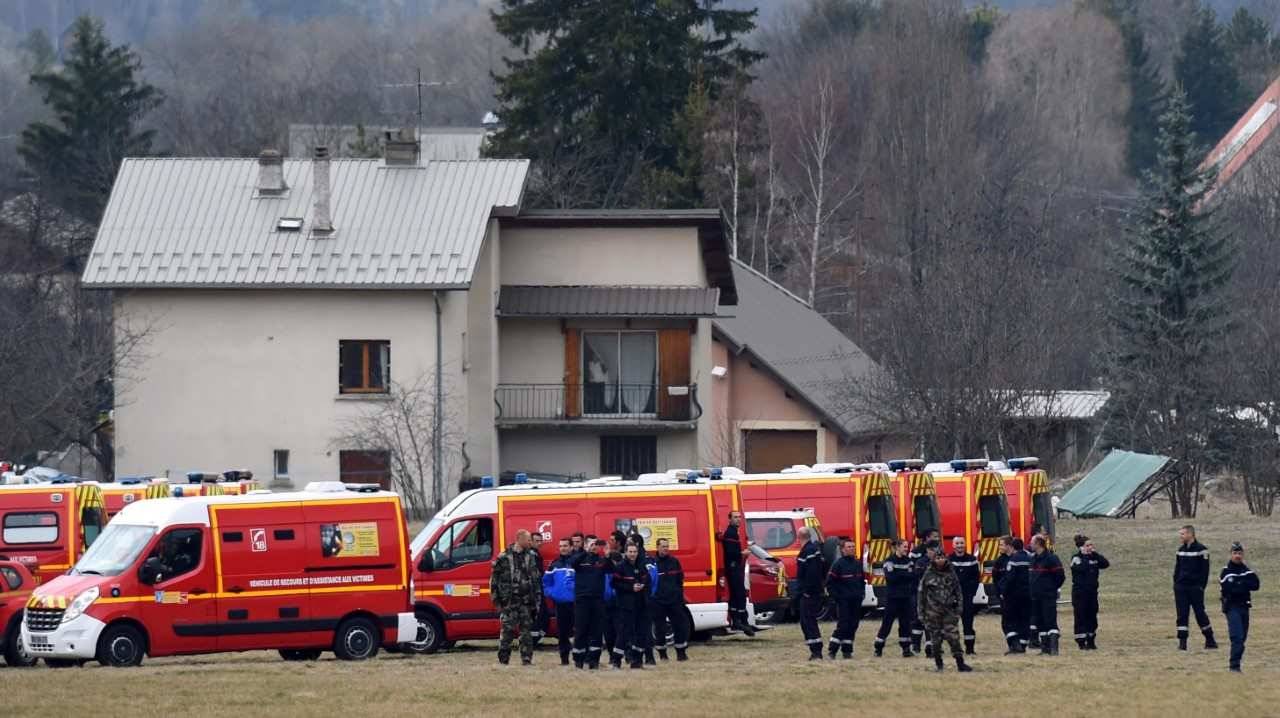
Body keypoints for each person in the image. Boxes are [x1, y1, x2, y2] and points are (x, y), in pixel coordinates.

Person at [489, 529, 543, 665]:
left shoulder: (531, 556)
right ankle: (503, 659)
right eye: (528, 539)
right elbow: (494, 581)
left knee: (526, 633)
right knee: (507, 632)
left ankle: (526, 659)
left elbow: (536, 579)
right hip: (509, 602)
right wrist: (497, 602)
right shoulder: (504, 557)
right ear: (519, 539)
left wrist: (537, 600)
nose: (530, 542)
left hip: (526, 601)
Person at [918, 545, 973, 673]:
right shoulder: (928, 574)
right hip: (933, 612)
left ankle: (960, 663)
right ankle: (939, 664)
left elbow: (958, 591)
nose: (940, 560)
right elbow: (921, 594)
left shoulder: (951, 572)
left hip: (949, 611)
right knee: (935, 640)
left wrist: (959, 608)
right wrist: (921, 613)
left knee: (954, 637)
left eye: (942, 557)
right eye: (937, 558)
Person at [1174, 525, 1217, 651]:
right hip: (1181, 587)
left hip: (1195, 588)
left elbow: (1205, 572)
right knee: (1182, 615)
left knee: (1200, 613)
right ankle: (1182, 643)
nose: (1180, 537)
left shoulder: (1202, 550)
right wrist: (1176, 583)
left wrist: (1200, 587)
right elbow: (1177, 569)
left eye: (1182, 534)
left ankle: (1210, 640)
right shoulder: (1180, 550)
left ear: (1190, 534)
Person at [570, 536, 610, 669]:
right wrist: (585, 552)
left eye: (596, 544)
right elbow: (573, 563)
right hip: (582, 600)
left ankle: (594, 661)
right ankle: (579, 661)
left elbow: (612, 570)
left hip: (598, 600)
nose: (594, 546)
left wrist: (608, 555)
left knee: (597, 631)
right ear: (586, 545)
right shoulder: (580, 558)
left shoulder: (601, 560)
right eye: (591, 544)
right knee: (581, 630)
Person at [1220, 541, 1260, 673]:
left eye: (1239, 553)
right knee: (1237, 636)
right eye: (1235, 553)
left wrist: (1239, 583)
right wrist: (1243, 584)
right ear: (1231, 554)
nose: (1237, 556)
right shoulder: (1226, 571)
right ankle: (1234, 667)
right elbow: (1229, 588)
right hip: (1232, 607)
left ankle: (1237, 664)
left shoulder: (1247, 570)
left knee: (1242, 638)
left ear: (1243, 555)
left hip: (1244, 607)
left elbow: (1256, 585)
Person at [611, 542, 651, 669]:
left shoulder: (642, 565)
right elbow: (615, 584)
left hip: (641, 604)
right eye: (630, 552)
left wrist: (643, 585)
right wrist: (630, 587)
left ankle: (637, 661)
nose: (632, 554)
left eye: (634, 552)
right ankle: (616, 661)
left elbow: (647, 580)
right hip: (626, 605)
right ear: (626, 553)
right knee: (624, 633)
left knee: (641, 633)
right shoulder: (620, 567)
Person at [649, 537, 691, 661]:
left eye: (667, 546)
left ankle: (681, 653)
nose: (666, 549)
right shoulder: (653, 563)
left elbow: (680, 580)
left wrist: (679, 596)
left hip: (674, 601)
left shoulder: (674, 562)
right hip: (658, 601)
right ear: (657, 547)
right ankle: (662, 654)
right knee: (660, 628)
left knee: (680, 626)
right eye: (663, 546)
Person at [874, 539, 916, 657]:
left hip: (905, 597)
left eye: (907, 547)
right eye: (904, 547)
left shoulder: (909, 561)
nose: (906, 549)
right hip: (892, 598)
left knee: (905, 624)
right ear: (897, 547)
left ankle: (906, 649)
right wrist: (904, 575)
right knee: (887, 624)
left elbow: (913, 576)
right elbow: (891, 578)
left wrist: (900, 574)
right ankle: (878, 648)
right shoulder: (889, 561)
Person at [826, 537, 865, 660]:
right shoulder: (838, 564)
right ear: (842, 550)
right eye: (849, 547)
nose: (852, 549)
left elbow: (861, 580)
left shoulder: (858, 564)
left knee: (853, 625)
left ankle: (847, 651)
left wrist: (861, 593)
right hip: (843, 601)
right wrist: (837, 597)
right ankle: (832, 650)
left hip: (856, 600)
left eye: (853, 546)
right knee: (843, 625)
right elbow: (830, 583)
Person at [1070, 534, 1110, 650]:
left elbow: (1105, 564)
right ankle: (1081, 642)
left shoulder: (1094, 557)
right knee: (1080, 617)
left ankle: (1091, 640)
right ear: (1081, 547)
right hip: (1080, 593)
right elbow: (1081, 568)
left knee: (1092, 617)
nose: (1090, 547)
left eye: (1091, 545)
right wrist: (1086, 556)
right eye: (1088, 545)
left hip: (1092, 593)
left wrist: (1095, 555)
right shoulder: (1076, 558)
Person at [1028, 534, 1065, 655]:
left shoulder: (1051, 558)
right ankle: (1045, 648)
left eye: (1032, 542)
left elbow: (1060, 576)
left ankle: (1054, 648)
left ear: (1038, 543)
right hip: (1035, 596)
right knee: (1040, 622)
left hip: (1048, 596)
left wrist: (1051, 588)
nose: (1030, 544)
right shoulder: (1033, 559)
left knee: (1050, 621)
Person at [543, 537, 577, 665]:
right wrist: (552, 593)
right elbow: (546, 582)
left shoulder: (577, 562)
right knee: (562, 632)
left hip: (575, 603)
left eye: (565, 546)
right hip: (560, 604)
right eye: (561, 546)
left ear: (571, 547)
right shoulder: (554, 564)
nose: (563, 548)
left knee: (578, 631)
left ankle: (579, 657)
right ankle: (564, 659)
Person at [721, 510, 756, 635]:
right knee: (739, 594)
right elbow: (730, 553)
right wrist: (743, 553)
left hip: (735, 567)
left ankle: (739, 620)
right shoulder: (730, 533)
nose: (738, 519)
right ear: (729, 519)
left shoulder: (733, 532)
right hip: (733, 568)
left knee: (737, 595)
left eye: (739, 517)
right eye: (735, 517)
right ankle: (741, 621)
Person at [795, 526, 827, 660]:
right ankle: (815, 649)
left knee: (808, 621)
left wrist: (806, 591)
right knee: (808, 620)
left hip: (810, 593)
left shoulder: (807, 552)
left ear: (799, 537)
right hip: (815, 591)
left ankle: (816, 651)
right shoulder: (814, 550)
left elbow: (811, 574)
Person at [998, 536, 1031, 654]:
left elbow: (1009, 578)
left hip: (1013, 596)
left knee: (1009, 621)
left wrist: (1002, 591)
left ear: (1012, 547)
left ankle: (1015, 645)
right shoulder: (1030, 558)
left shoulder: (1013, 560)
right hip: (1028, 594)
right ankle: (1022, 645)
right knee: (1024, 620)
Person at [909, 529, 940, 654]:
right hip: (919, 592)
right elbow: (913, 574)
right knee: (918, 618)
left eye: (938, 537)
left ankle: (930, 646)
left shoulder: (940, 555)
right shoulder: (916, 554)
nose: (937, 538)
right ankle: (916, 644)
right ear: (927, 538)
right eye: (934, 536)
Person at [949, 536, 980, 655]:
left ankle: (970, 649)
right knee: (951, 625)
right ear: (953, 545)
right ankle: (955, 648)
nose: (960, 546)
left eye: (961, 543)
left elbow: (976, 578)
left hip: (967, 597)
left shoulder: (972, 559)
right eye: (957, 543)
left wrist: (971, 593)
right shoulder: (948, 560)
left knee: (968, 624)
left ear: (965, 544)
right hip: (952, 598)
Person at [603, 530, 626, 654]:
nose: (609, 542)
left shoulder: (623, 562)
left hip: (619, 602)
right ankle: (612, 655)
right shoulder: (605, 565)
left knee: (621, 631)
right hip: (606, 603)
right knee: (608, 632)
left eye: (612, 540)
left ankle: (625, 655)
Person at [530, 533, 547, 641]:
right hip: (533, 590)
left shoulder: (536, 553)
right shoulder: (530, 554)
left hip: (538, 589)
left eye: (540, 541)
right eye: (537, 541)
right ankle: (533, 641)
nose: (539, 543)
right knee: (538, 616)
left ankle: (535, 639)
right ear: (530, 541)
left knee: (543, 616)